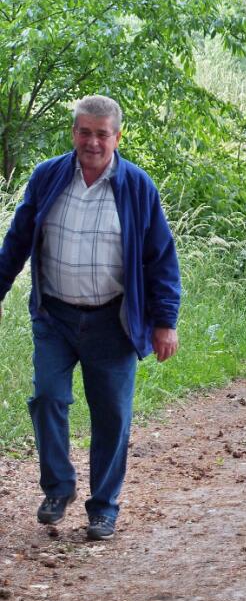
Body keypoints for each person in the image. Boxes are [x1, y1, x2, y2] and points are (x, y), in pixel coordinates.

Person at [0, 95, 181, 541]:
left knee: (112, 416)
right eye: (85, 132)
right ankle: (58, 488)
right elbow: (18, 238)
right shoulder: (48, 177)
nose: (93, 141)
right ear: (74, 133)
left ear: (117, 136)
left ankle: (103, 508)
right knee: (47, 398)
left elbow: (161, 259)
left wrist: (165, 321)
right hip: (55, 317)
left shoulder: (138, 187)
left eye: (102, 134)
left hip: (112, 321)